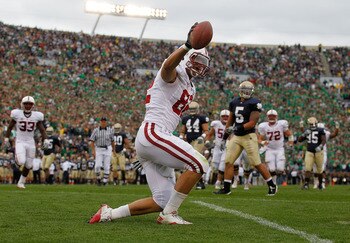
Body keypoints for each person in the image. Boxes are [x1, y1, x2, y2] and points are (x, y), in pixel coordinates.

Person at [89, 22, 210, 225]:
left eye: (203, 63)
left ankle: (109, 213)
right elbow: (168, 66)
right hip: (154, 133)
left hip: (155, 138)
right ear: (187, 57)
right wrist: (188, 45)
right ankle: (169, 215)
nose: (200, 66)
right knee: (199, 163)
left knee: (162, 200)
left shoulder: (191, 86)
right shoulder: (174, 72)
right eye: (197, 60)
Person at [214, 81, 278, 196]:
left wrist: (235, 128)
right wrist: (225, 137)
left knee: (256, 163)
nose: (246, 92)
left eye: (249, 90)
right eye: (245, 90)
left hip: (248, 136)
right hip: (236, 136)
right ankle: (227, 188)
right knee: (228, 161)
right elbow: (230, 119)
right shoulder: (234, 102)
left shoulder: (255, 103)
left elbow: (252, 122)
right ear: (240, 90)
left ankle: (272, 185)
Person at [4, 96, 48, 189]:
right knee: (21, 161)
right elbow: (10, 127)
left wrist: (46, 139)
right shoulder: (17, 114)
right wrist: (7, 138)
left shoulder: (36, 115)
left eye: (30, 104)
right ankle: (16, 158)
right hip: (20, 140)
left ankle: (21, 182)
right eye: (26, 104)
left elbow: (42, 130)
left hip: (30, 142)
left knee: (28, 165)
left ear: (33, 105)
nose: (28, 105)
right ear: (22, 104)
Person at [258, 109, 294, 185]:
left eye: (273, 116)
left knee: (280, 169)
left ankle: (279, 176)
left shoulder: (281, 124)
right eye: (270, 116)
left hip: (280, 149)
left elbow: (290, 135)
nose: (271, 117)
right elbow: (259, 139)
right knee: (271, 169)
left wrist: (290, 143)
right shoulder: (263, 126)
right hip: (269, 149)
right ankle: (274, 184)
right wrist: (263, 142)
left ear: (276, 116)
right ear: (267, 117)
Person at [179, 101, 209, 189]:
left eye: (193, 109)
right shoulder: (185, 119)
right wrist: (181, 137)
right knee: (190, 162)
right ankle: (199, 182)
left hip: (198, 141)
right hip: (188, 142)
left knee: (195, 160)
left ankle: (200, 182)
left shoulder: (202, 118)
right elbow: (183, 131)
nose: (192, 111)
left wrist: (202, 137)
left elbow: (206, 130)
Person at [298, 117, 326, 190]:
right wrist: (304, 134)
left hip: (319, 152)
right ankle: (306, 184)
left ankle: (320, 184)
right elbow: (299, 140)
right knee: (308, 169)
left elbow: (324, 140)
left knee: (319, 170)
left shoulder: (320, 130)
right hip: (309, 152)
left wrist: (320, 146)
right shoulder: (307, 131)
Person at [205, 109, 229, 189]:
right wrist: (207, 140)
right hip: (217, 147)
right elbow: (210, 134)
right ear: (220, 117)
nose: (225, 118)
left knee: (222, 166)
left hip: (227, 148)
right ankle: (213, 180)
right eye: (223, 116)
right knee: (214, 166)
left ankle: (218, 183)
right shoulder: (216, 124)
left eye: (227, 116)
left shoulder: (232, 125)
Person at [312, 122, 339, 189]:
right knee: (315, 170)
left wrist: (337, 128)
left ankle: (322, 183)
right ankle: (316, 183)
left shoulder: (326, 133)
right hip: (315, 152)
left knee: (322, 169)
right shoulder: (313, 133)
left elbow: (334, 134)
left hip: (322, 152)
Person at [89, 117, 115, 185]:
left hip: (107, 148)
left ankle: (105, 181)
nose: (103, 122)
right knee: (98, 165)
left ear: (106, 122)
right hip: (99, 149)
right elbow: (92, 141)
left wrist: (114, 150)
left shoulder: (110, 130)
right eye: (102, 121)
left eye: (104, 121)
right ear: (100, 122)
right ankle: (98, 178)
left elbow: (112, 141)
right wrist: (93, 151)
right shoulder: (96, 130)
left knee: (107, 166)